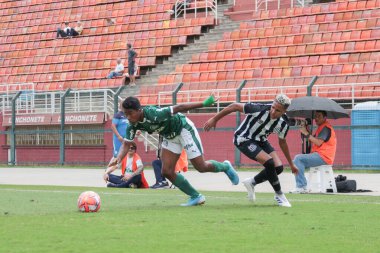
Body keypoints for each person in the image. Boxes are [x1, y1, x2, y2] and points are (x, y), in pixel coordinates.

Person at [110, 95, 239, 206]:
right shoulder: (132, 125)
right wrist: (118, 158)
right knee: (166, 171)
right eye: (125, 114)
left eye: (130, 113)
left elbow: (179, 107)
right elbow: (126, 144)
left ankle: (225, 166)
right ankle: (196, 196)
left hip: (183, 129)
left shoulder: (153, 113)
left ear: (139, 110)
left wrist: (204, 103)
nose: (127, 117)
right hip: (169, 136)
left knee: (201, 166)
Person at [204, 94, 299, 207]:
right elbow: (234, 106)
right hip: (244, 139)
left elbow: (282, 142)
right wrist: (215, 118)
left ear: (284, 111)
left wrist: (291, 164)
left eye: (278, 110)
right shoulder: (259, 109)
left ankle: (251, 182)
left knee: (278, 168)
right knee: (269, 162)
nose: (273, 112)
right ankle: (279, 195)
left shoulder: (283, 124)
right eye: (273, 107)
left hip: (261, 140)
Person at [290, 110, 337, 193]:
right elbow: (313, 140)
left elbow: (318, 142)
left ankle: (302, 186)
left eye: (319, 116)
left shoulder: (326, 128)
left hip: (324, 157)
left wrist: (306, 133)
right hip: (321, 156)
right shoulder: (322, 127)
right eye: (315, 116)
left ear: (325, 117)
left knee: (298, 158)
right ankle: (303, 186)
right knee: (296, 161)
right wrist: (305, 130)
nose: (316, 118)